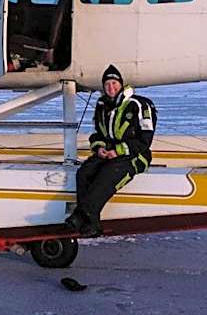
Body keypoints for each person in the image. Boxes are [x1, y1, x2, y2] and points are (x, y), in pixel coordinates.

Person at [65, 64, 157, 237]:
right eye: (107, 84)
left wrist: (118, 151)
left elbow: (145, 141)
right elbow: (99, 134)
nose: (111, 87)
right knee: (84, 173)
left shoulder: (139, 105)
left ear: (121, 84)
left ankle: (80, 216)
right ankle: (92, 224)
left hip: (135, 155)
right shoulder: (103, 106)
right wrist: (100, 148)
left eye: (114, 83)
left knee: (107, 175)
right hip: (109, 153)